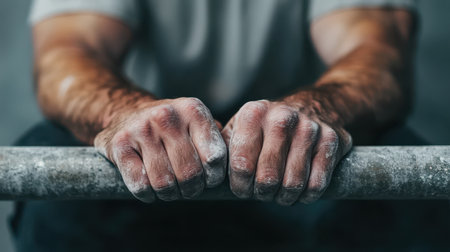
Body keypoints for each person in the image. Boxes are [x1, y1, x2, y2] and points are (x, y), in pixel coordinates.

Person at [12, 0, 437, 250]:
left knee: (400, 176)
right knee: (49, 162)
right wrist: (124, 116)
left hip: (301, 162)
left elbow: (376, 53)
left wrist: (318, 110)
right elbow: (67, 54)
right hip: (147, 156)